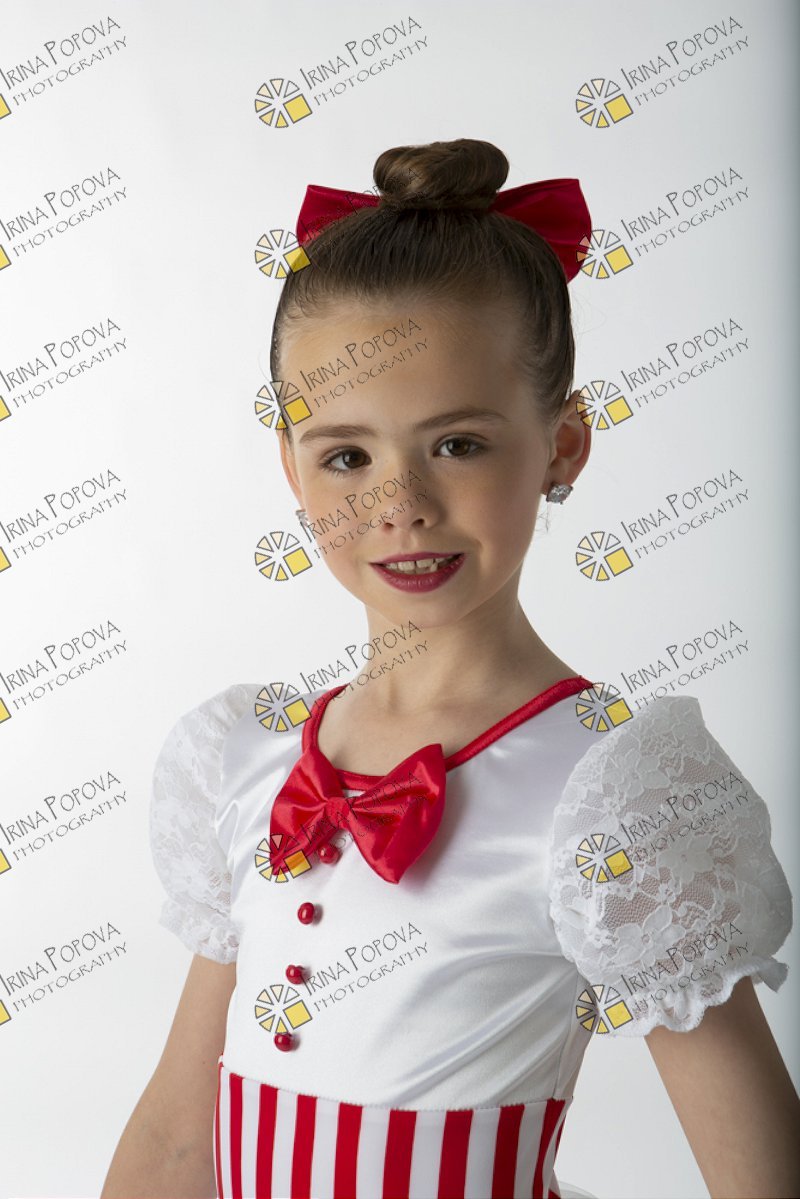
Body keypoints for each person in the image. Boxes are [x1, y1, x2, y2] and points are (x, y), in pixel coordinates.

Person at [101, 139, 798, 1199]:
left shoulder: (612, 796)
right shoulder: (242, 761)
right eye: (347, 456)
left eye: (458, 444)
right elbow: (174, 1140)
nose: (401, 505)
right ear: (292, 468)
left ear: (562, 444)